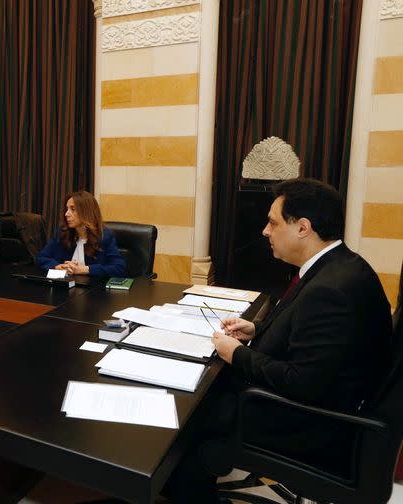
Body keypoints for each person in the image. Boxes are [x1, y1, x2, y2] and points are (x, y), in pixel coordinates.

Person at [165, 178, 393, 503]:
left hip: (314, 425)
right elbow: (310, 334)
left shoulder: (330, 291)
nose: (265, 231)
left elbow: (301, 383)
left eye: (272, 222)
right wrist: (256, 331)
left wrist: (237, 354)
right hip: (331, 405)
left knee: (190, 422)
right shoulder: (336, 266)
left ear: (302, 227)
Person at [36, 191, 125, 277]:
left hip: (93, 289)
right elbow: (41, 258)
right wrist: (59, 266)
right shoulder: (62, 233)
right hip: (65, 286)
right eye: (67, 209)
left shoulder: (104, 236)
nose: (66, 214)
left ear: (87, 212)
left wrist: (86, 269)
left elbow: (119, 268)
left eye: (73, 209)